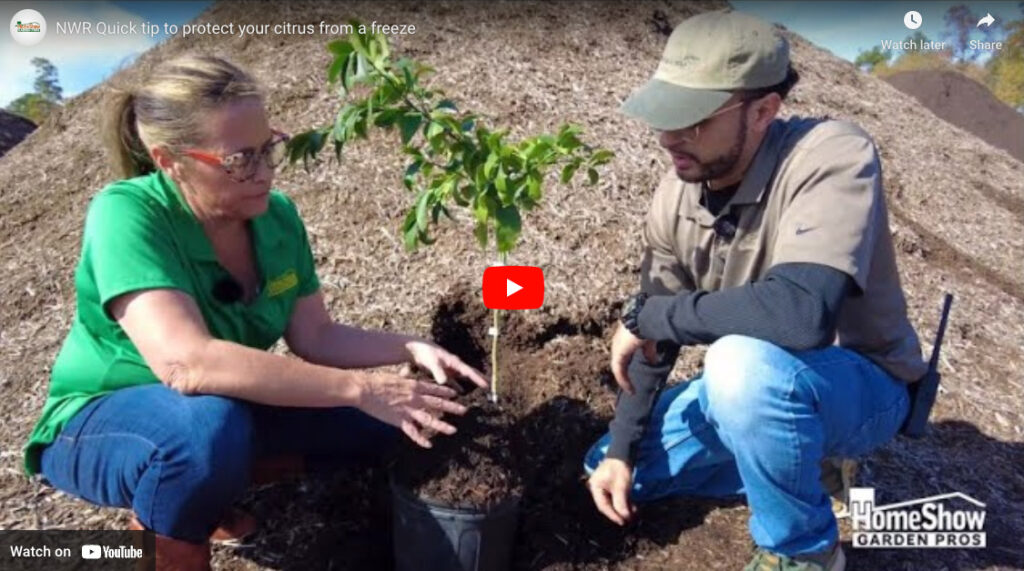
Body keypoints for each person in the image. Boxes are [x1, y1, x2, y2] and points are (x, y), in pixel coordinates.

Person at [22, 55, 488, 569]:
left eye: (268, 149)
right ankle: (168, 540)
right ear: (169, 160)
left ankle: (214, 483)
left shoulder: (277, 217)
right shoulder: (128, 212)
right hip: (104, 418)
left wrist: (408, 346)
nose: (264, 172)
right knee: (202, 434)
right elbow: (187, 365)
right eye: (240, 159)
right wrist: (363, 388)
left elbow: (316, 336)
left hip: (226, 405)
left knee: (395, 426)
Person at [583, 10, 927, 571]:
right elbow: (654, 336)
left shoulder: (831, 156)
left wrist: (653, 315)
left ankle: (806, 550)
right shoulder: (678, 192)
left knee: (739, 366)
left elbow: (801, 316)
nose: (669, 137)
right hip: (757, 387)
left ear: (763, 110)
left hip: (859, 381)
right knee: (607, 464)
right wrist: (622, 451)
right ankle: (798, 463)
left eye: (692, 120)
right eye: (664, 116)